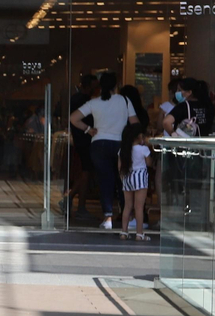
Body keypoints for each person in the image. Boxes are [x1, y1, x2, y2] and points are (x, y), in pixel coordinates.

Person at [67, 71, 138, 231]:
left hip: (99, 144)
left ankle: (107, 218)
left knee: (105, 180)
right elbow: (134, 122)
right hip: (120, 143)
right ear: (116, 85)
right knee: (123, 179)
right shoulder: (124, 100)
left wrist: (88, 129)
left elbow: (73, 118)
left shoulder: (94, 102)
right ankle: (128, 216)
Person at [63, 74, 98, 218]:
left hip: (81, 139)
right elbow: (74, 119)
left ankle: (71, 199)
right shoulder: (84, 101)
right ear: (89, 86)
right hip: (84, 140)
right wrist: (88, 130)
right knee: (86, 171)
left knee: (85, 171)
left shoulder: (77, 98)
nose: (97, 89)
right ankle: (78, 204)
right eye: (95, 86)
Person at [119, 121, 153, 241]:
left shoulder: (123, 150)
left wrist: (122, 177)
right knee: (139, 207)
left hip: (127, 177)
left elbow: (120, 166)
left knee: (127, 206)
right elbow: (149, 163)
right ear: (139, 136)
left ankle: (124, 232)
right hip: (140, 178)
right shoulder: (143, 149)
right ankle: (139, 234)